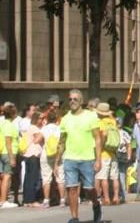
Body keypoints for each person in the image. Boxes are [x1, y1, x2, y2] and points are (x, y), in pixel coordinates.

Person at [57, 89, 104, 223]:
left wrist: (98, 159)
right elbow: (62, 140)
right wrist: (57, 160)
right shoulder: (65, 119)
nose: (72, 101)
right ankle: (74, 217)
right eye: (70, 99)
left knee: (89, 189)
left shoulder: (90, 116)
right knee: (71, 188)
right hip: (70, 158)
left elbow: (97, 138)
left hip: (87, 158)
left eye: (75, 99)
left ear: (81, 101)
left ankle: (96, 204)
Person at [94, 103, 120, 206]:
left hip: (104, 153)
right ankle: (116, 197)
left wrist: (101, 146)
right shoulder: (113, 122)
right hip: (113, 152)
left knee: (103, 177)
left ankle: (107, 198)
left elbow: (104, 134)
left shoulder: (100, 123)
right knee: (114, 177)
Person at [40, 109, 65, 207]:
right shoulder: (60, 129)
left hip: (46, 154)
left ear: (47, 119)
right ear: (57, 119)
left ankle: (46, 200)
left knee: (46, 178)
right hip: (59, 154)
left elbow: (37, 139)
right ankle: (62, 200)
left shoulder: (44, 129)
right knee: (60, 178)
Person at [19, 110, 43, 207]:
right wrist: (41, 133)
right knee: (33, 178)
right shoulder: (34, 128)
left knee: (28, 178)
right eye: (41, 118)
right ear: (36, 119)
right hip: (33, 154)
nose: (42, 120)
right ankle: (32, 200)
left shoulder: (30, 128)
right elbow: (38, 139)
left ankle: (27, 200)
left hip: (28, 155)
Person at [0, 103, 18, 210]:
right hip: (8, 153)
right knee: (7, 176)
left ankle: (2, 199)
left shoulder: (3, 124)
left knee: (3, 176)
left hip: (4, 152)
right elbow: (8, 142)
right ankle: (3, 200)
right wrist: (12, 157)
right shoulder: (9, 125)